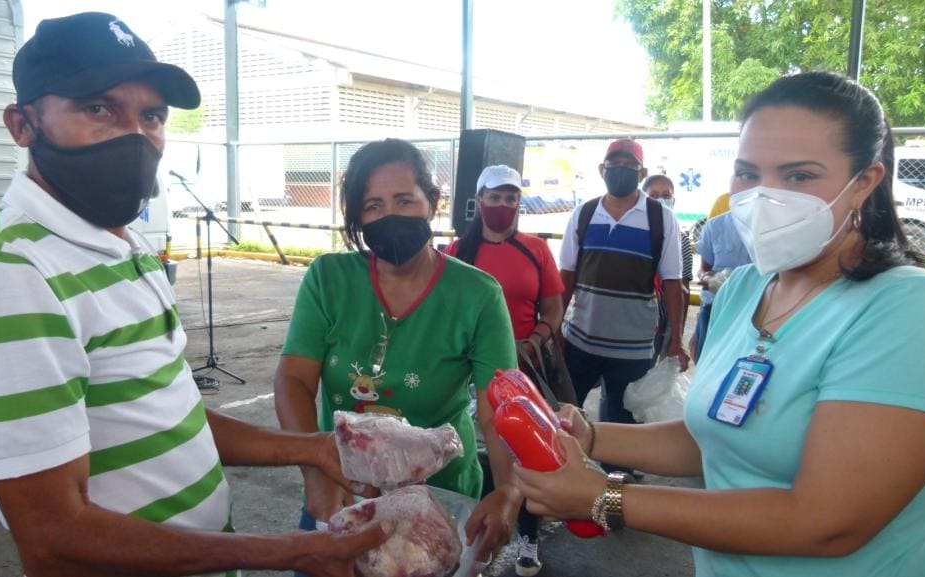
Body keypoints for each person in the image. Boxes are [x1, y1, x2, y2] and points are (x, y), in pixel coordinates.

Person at [0, 13, 390, 577]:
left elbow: (167, 414)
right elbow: (53, 538)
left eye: (151, 116)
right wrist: (290, 551)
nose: (135, 136)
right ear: (23, 125)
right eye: (98, 109)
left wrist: (308, 448)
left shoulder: (123, 245)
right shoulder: (6, 278)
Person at [513, 71, 925, 577]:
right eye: (748, 173)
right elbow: (716, 435)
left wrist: (604, 498)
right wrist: (592, 436)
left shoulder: (908, 310)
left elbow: (827, 522)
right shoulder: (745, 289)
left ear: (864, 183)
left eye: (799, 175)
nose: (764, 195)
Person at [274, 139, 521, 569]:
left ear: (432, 203)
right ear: (356, 217)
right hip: (339, 489)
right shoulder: (328, 279)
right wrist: (313, 469)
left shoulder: (477, 295)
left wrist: (508, 490)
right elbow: (293, 379)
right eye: (373, 205)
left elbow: (497, 408)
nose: (389, 215)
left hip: (440, 499)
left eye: (404, 199)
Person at [445, 164, 566, 577]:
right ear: (479, 202)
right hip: (463, 376)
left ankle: (528, 535)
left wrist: (537, 338)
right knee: (469, 455)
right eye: (494, 197)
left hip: (519, 372)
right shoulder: (456, 252)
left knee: (519, 456)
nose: (503, 205)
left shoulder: (535, 249)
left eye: (511, 197)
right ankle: (470, 531)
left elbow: (553, 307)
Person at [558, 139, 689, 474]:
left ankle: (613, 494)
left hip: (633, 346)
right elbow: (567, 276)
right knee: (564, 414)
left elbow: (674, 283)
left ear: (641, 172)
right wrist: (553, 328)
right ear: (602, 170)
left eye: (629, 167)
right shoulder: (585, 213)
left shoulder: (661, 219)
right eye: (614, 165)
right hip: (580, 339)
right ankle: (563, 478)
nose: (620, 171)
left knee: (621, 424)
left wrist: (675, 340)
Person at [641, 174, 694, 364]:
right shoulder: (633, 231)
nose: (661, 200)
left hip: (662, 317)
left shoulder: (682, 239)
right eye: (654, 195)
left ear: (673, 200)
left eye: (666, 195)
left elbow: (683, 289)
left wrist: (676, 335)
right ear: (642, 197)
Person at [691, 208, 751, 362]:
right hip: (714, 306)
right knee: (705, 359)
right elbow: (704, 268)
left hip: (752, 309)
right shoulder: (715, 226)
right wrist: (708, 278)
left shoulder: (773, 230)